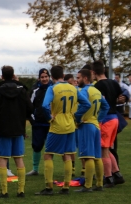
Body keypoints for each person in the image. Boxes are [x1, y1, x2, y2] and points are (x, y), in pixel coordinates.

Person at [35, 66, 90, 196]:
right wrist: (75, 115)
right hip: (70, 125)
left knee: (48, 154)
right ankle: (65, 187)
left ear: (52, 77)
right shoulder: (73, 88)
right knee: (67, 155)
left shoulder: (52, 88)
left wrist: (49, 117)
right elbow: (86, 104)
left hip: (57, 125)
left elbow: (44, 105)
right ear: (63, 75)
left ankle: (48, 187)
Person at [0, 65, 33, 198]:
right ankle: (21, 191)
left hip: (2, 129)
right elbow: (30, 108)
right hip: (18, 129)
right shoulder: (21, 89)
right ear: (13, 75)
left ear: (2, 76)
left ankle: (4, 191)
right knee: (18, 158)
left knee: (2, 159)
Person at [74, 69, 109, 192]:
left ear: (85, 78)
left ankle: (87, 185)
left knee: (88, 156)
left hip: (86, 125)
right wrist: (98, 118)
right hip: (95, 126)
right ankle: (99, 184)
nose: (77, 80)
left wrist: (77, 118)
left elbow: (84, 105)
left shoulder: (84, 91)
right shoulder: (96, 91)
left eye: (78, 78)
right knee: (97, 156)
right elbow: (106, 107)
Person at [92, 61, 125, 187]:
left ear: (94, 73)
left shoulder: (98, 86)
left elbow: (101, 103)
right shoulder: (113, 82)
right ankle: (117, 174)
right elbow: (121, 97)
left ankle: (108, 178)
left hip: (105, 119)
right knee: (109, 148)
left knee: (103, 149)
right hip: (115, 118)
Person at [26, 68, 52, 176]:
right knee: (37, 146)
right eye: (42, 77)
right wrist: (32, 120)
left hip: (52, 123)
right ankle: (35, 169)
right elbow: (29, 105)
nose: (44, 79)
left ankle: (48, 169)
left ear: (49, 77)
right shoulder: (35, 90)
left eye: (46, 77)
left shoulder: (54, 89)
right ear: (39, 78)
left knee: (51, 148)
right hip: (38, 123)